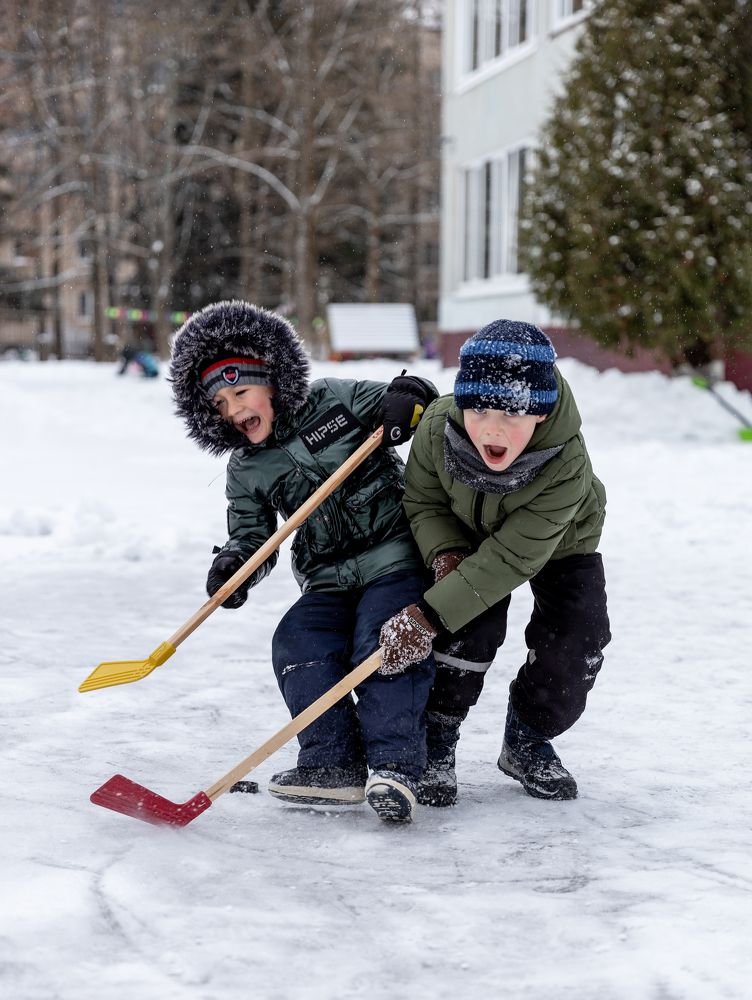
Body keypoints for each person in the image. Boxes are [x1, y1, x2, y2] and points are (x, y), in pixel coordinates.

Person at [169, 300, 438, 823]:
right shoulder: (246, 469)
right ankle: (331, 765)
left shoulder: (334, 402)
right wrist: (235, 565)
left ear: (271, 381)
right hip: (327, 579)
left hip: (394, 558)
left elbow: (412, 399)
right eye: (220, 404)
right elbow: (251, 533)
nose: (234, 410)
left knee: (380, 642)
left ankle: (397, 766)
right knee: (298, 641)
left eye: (241, 392)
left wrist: (408, 398)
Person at [378, 320, 611, 806]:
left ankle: (527, 737)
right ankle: (437, 738)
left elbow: (511, 558)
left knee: (578, 642)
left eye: (512, 411)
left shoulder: (565, 461)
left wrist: (427, 615)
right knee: (468, 625)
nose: (492, 426)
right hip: (466, 528)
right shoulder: (439, 431)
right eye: (479, 407)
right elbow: (423, 502)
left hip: (560, 539)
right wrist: (445, 554)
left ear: (542, 415)